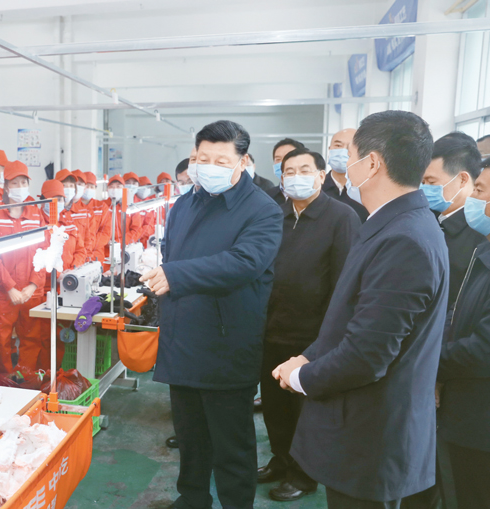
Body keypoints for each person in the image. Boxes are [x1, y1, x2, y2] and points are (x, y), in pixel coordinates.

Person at [274, 111, 448, 508]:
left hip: (371, 438)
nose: (346, 167)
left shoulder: (405, 239)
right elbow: (354, 316)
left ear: (371, 164)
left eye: (350, 156)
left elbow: (367, 355)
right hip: (363, 432)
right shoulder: (391, 224)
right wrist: (309, 355)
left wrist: (301, 376)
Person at [141, 120, 283, 509]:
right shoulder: (185, 204)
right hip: (182, 338)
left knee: (231, 443)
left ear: (242, 162)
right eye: (203, 158)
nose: (210, 167)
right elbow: (172, 255)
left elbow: (244, 262)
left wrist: (175, 275)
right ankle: (192, 498)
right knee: (190, 437)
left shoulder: (262, 210)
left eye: (221, 160)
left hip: (225, 343)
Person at [258, 148, 360, 502]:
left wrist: (327, 339)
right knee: (274, 407)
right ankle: (281, 459)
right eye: (289, 171)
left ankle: (303, 475)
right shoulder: (277, 214)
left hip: (312, 337)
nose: (296, 176)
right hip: (272, 329)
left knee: (305, 411)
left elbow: (345, 284)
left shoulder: (341, 217)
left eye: (305, 170)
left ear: (321, 175)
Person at [438, 159, 490, 508]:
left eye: (480, 191)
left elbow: (483, 349)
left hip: (480, 423)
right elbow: (460, 315)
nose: (472, 197)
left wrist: (428, 359)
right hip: (465, 416)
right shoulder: (483, 249)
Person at [0, 160, 47, 373]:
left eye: (24, 182)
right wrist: (9, 287)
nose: (20, 187)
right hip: (3, 293)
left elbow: (44, 251)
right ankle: (6, 381)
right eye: (15, 183)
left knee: (32, 338)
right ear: (6, 186)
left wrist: (33, 285)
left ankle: (26, 379)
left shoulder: (35, 213)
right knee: (0, 342)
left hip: (31, 292)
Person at [421, 132, 486, 313]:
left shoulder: (479, 231)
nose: (424, 188)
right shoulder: (426, 219)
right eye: (422, 181)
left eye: (431, 182)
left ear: (462, 179)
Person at [323, 128, 369, 222]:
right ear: (329, 149)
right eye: (338, 145)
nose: (342, 151)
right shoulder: (317, 187)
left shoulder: (369, 188)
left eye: (350, 146)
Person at [56, 169, 89, 264]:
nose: (68, 189)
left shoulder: (81, 212)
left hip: (76, 266)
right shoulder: (50, 213)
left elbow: (85, 243)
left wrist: (76, 266)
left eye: (71, 186)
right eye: (64, 185)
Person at [266, 139, 305, 205]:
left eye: (288, 157)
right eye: (278, 159)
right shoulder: (267, 197)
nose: (282, 163)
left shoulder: (312, 193)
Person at [83, 171, 110, 263]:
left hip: (96, 254)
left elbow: (106, 232)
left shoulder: (101, 206)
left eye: (92, 187)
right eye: (86, 186)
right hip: (78, 255)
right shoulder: (74, 207)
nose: (89, 189)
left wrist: (89, 245)